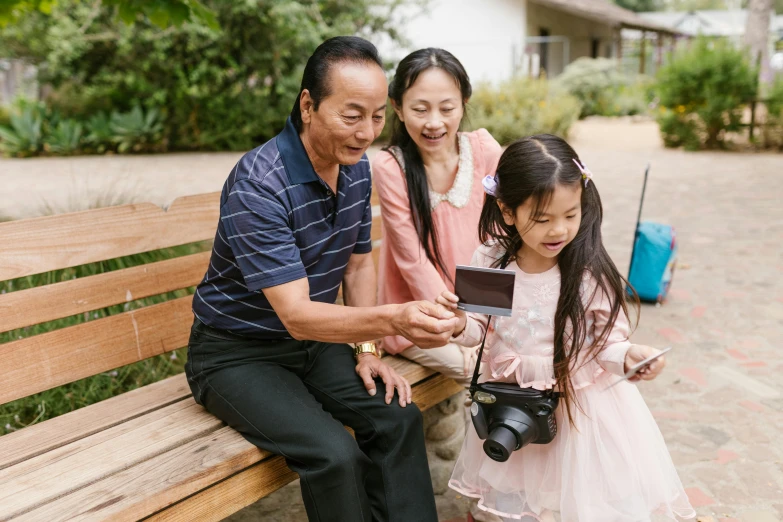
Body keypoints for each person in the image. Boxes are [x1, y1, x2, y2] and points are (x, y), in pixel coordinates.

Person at [185, 36, 459, 522]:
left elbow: (357, 265)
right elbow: (295, 315)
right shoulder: (260, 184)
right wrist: (394, 317)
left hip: (314, 343)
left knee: (397, 418)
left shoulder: (356, 171)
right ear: (308, 105)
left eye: (377, 117)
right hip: (235, 355)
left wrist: (369, 350)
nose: (366, 132)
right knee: (334, 456)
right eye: (351, 115)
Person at [436, 135, 696, 522]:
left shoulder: (587, 269)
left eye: (570, 215)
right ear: (507, 210)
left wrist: (629, 355)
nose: (558, 230)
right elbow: (478, 328)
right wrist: (459, 322)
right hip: (513, 403)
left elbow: (605, 345)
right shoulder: (492, 258)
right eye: (542, 219)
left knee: (568, 506)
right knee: (517, 503)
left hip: (578, 414)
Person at [373, 48, 502, 385]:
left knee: (508, 359)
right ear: (398, 108)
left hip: (484, 308)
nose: (434, 122)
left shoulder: (485, 150)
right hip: (420, 314)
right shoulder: (391, 167)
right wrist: (456, 327)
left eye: (447, 108)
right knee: (480, 370)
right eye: (420, 109)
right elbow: (412, 260)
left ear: (464, 103)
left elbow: (499, 239)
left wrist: (481, 326)